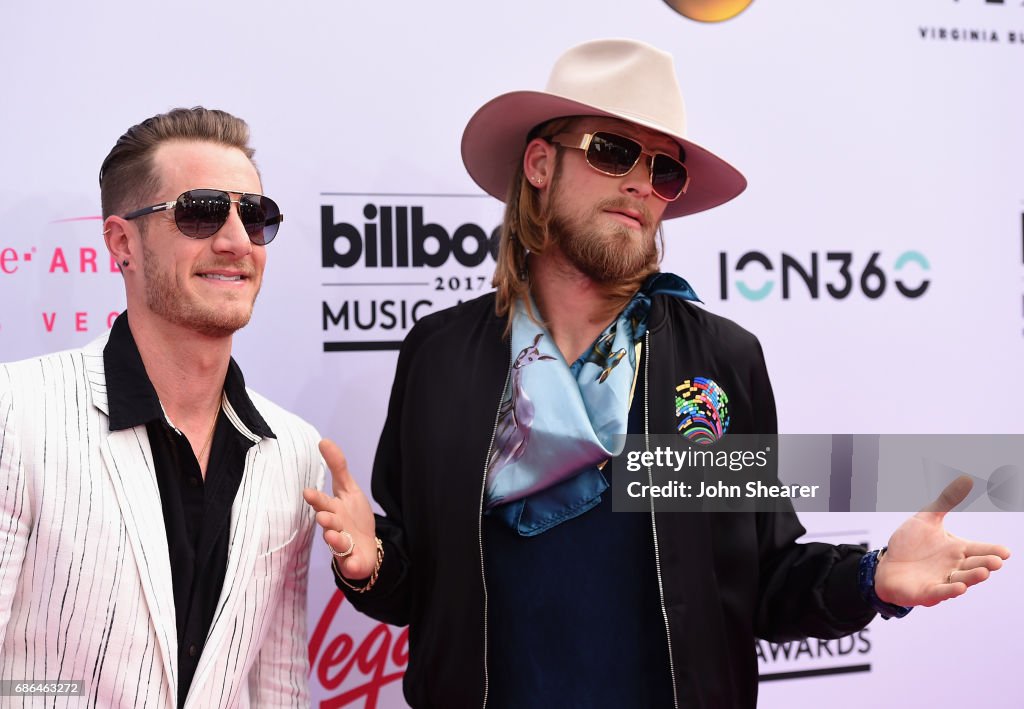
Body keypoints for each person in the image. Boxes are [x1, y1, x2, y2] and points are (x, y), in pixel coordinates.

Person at [303, 40, 1010, 707]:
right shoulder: (440, 353)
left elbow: (756, 579)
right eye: (613, 152)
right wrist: (368, 564)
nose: (642, 183)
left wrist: (872, 577)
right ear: (541, 165)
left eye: (664, 169)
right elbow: (419, 578)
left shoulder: (717, 360)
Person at [0, 107, 322, 708]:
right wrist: (67, 693)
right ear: (122, 242)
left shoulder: (295, 451)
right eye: (200, 212)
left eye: (255, 217)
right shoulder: (16, 416)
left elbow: (276, 687)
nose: (234, 242)